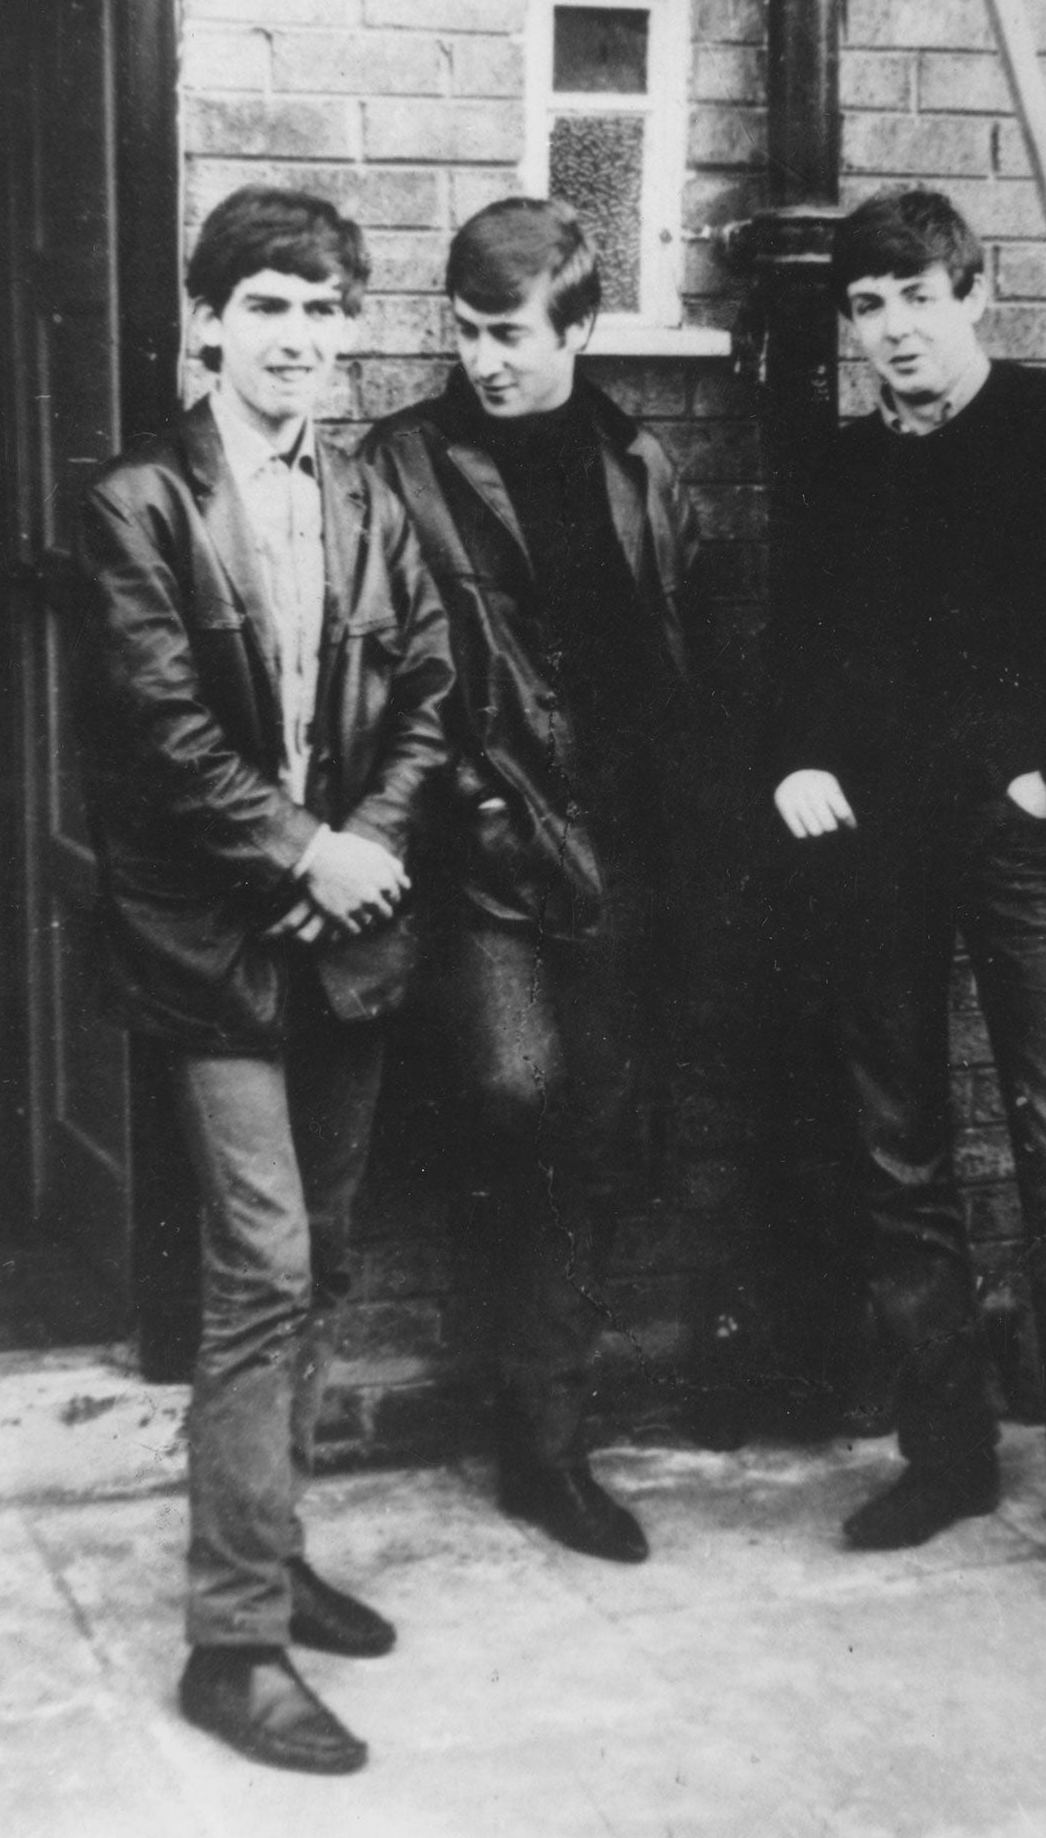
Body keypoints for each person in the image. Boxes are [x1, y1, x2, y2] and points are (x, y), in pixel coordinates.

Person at [771, 187, 1046, 1637]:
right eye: (867, 305)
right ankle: (947, 1458)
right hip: (875, 853)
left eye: (917, 296)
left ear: (975, 296)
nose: (894, 328)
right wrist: (796, 760)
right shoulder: (839, 467)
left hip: (1017, 848)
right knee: (902, 1162)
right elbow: (790, 641)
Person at [77, 186, 456, 1773]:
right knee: (263, 1267)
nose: (299, 338)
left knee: (330, 1250)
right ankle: (232, 1644)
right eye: (270, 307)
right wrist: (306, 854)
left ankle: (274, 1539)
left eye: (324, 309)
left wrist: (360, 846)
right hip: (215, 947)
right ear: (209, 321)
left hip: (345, 936)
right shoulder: (139, 504)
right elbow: (161, 743)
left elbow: (433, 690)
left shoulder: (367, 491)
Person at [364, 198, 702, 1565]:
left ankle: (547, 1448)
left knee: (598, 1127)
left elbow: (670, 661)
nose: (485, 359)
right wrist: (466, 800)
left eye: (510, 334)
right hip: (482, 851)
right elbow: (382, 660)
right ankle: (523, 1407)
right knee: (515, 1089)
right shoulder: (403, 461)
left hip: (619, 852)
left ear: (579, 330)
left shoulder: (639, 463)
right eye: (465, 331)